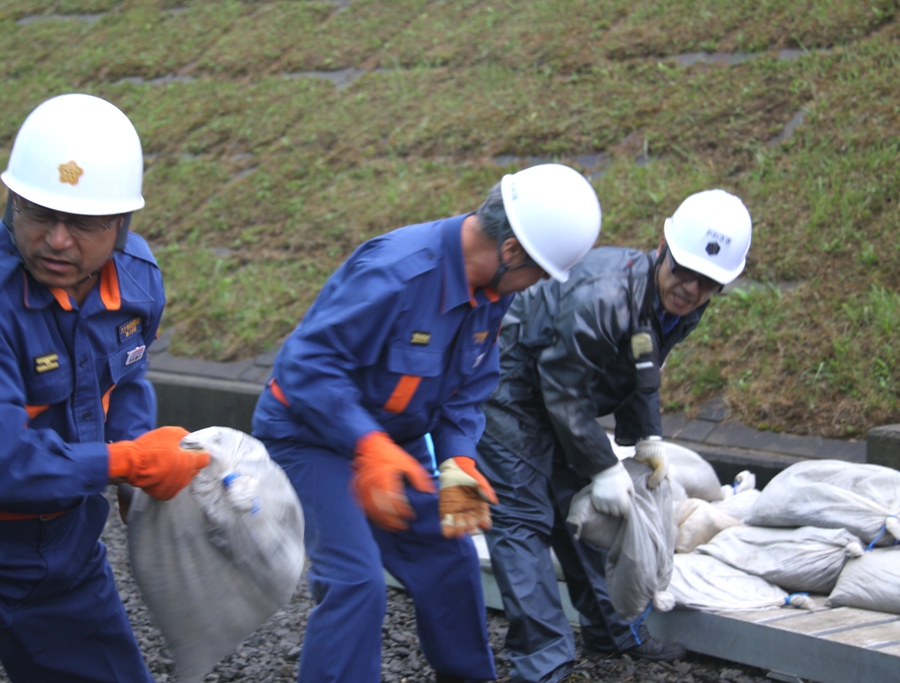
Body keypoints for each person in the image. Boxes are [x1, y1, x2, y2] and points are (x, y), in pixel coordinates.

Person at [0, 93, 210, 683]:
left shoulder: (137, 281)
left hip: (64, 547)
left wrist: (140, 451)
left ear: (121, 223)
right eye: (37, 213)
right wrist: (126, 460)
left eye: (82, 223)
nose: (57, 239)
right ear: (11, 202)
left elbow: (126, 375)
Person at [251, 163, 603, 683]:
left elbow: (465, 391)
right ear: (510, 254)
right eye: (539, 274)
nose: (535, 287)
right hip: (311, 438)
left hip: (396, 443)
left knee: (450, 560)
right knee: (356, 581)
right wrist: (367, 444)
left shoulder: (491, 292)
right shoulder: (397, 271)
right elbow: (306, 366)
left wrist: (458, 459)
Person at [476, 189, 753, 683]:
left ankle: (611, 630)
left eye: (707, 282)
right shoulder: (602, 294)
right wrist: (603, 465)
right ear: (663, 248)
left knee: (581, 510)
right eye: (684, 271)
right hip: (511, 381)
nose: (690, 287)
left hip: (564, 392)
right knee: (522, 520)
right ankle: (543, 664)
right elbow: (563, 387)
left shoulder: (683, 306)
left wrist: (647, 437)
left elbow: (642, 365)